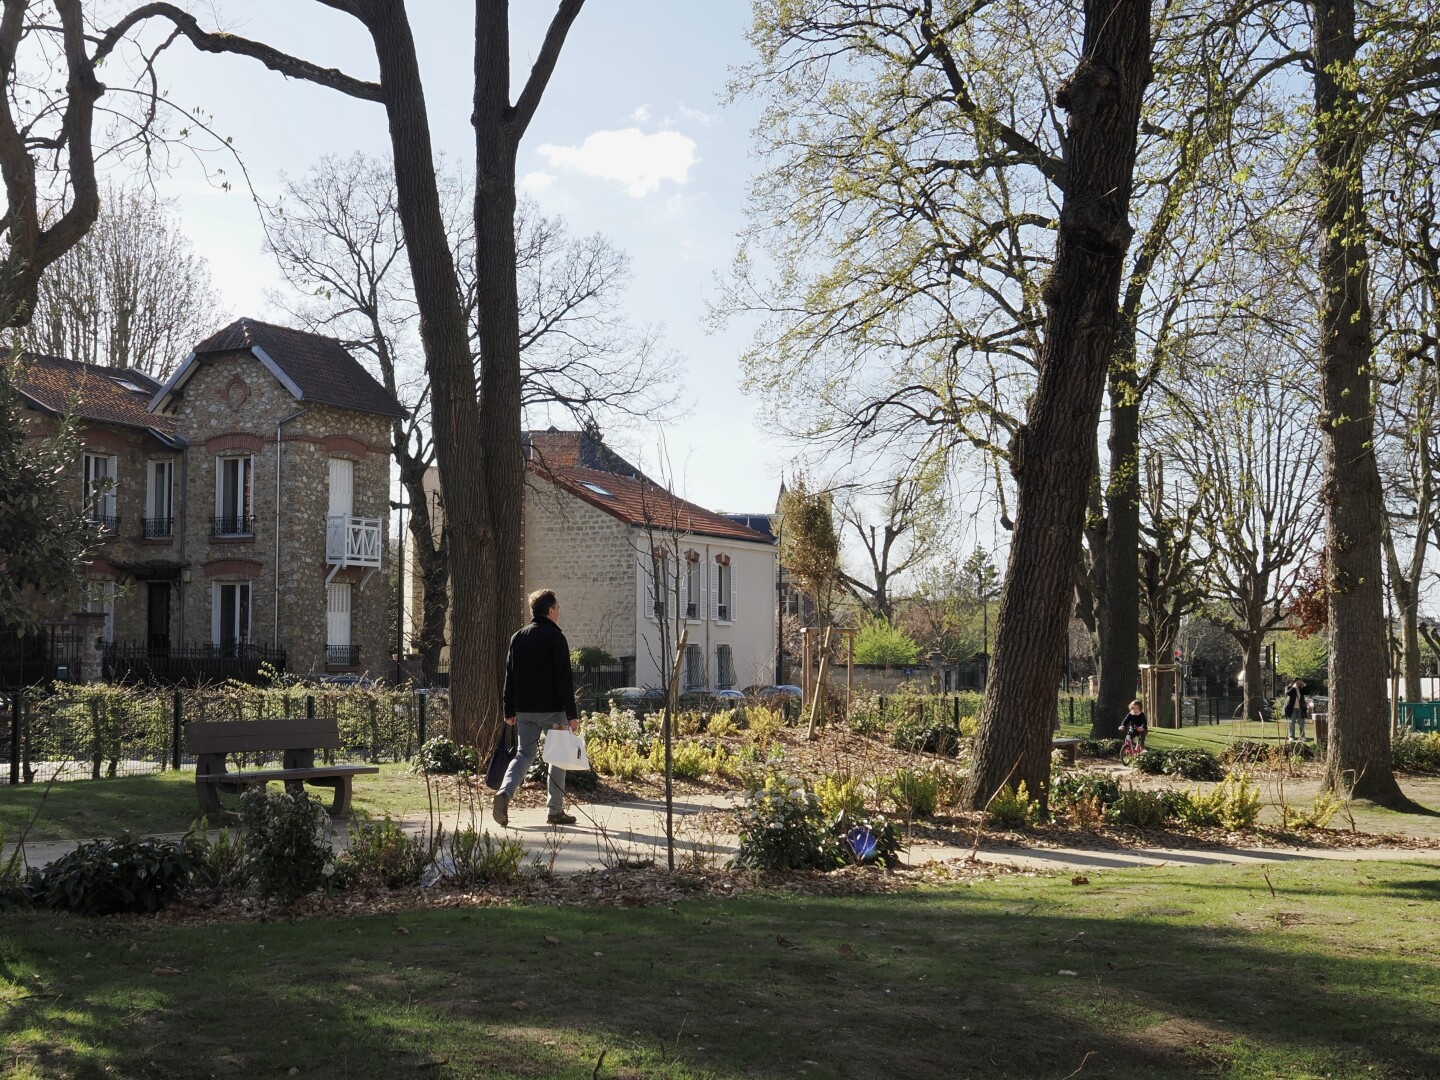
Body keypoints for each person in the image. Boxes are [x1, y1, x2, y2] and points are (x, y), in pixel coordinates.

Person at [492, 589, 579, 828]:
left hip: (524, 710)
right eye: (558, 608)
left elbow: (510, 676)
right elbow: (563, 679)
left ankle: (505, 792)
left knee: (524, 754)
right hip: (552, 709)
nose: (559, 612)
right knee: (558, 756)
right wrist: (572, 714)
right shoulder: (556, 638)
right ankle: (555, 810)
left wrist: (508, 709)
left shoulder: (517, 637)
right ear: (550, 610)